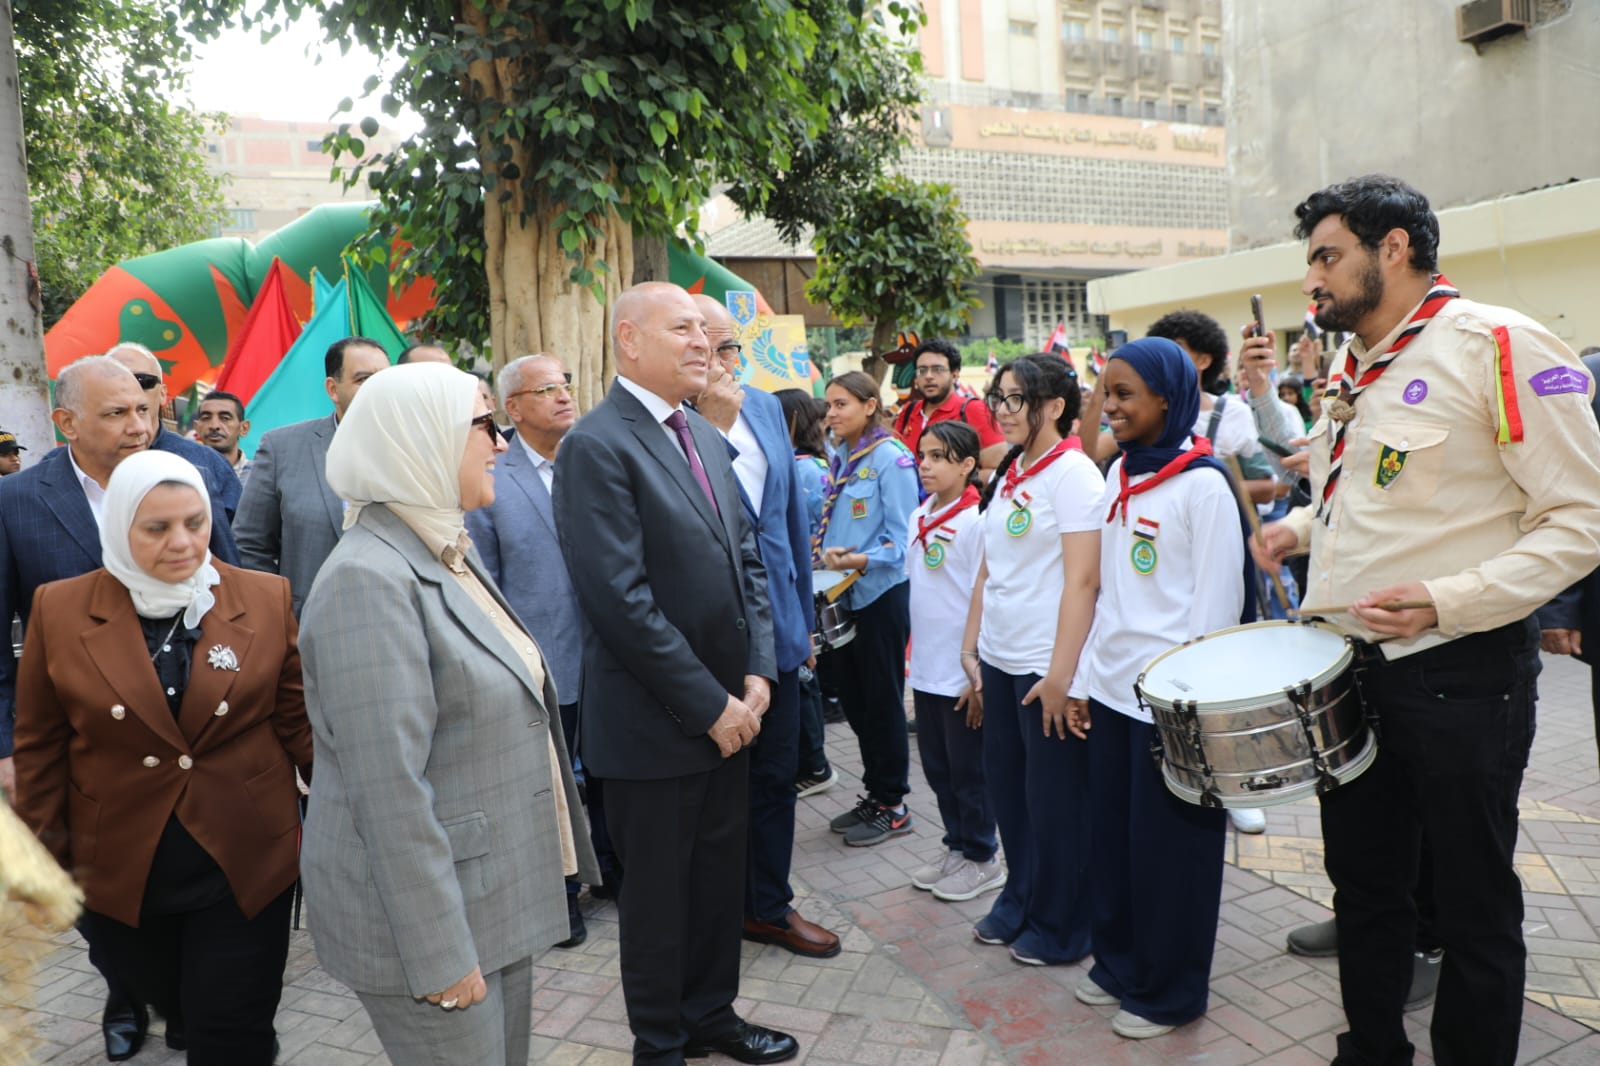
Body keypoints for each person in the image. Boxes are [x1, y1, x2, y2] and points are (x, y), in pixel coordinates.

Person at [1249, 175, 1600, 1066]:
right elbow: (1363, 497)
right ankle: (1372, 1050)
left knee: (1475, 904)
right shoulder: (1355, 364)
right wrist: (1292, 530)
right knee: (1365, 890)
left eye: (1327, 256)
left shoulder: (1500, 345)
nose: (1312, 282)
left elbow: (1582, 519)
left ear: (1393, 248)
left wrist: (1449, 598)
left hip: (1462, 675)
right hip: (1352, 671)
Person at [297, 363, 596, 1066]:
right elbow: (389, 793)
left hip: (486, 897)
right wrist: (439, 955)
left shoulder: (439, 544)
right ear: (420, 440)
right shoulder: (368, 580)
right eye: (483, 425)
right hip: (430, 924)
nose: (498, 443)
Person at [553, 282, 796, 1066]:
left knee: (717, 886)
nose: (703, 343)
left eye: (707, 330)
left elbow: (747, 560)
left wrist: (757, 675)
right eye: (683, 328)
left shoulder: (699, 430)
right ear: (628, 340)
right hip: (658, 727)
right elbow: (619, 603)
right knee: (659, 904)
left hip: (732, 716)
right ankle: (659, 1045)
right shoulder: (598, 444)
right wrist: (709, 702)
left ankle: (711, 1019)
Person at [13, 449, 313, 1065]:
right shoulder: (61, 609)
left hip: (245, 862)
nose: (183, 543)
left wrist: (354, 814)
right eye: (157, 528)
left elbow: (298, 724)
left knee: (233, 1032)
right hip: (119, 868)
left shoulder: (262, 596)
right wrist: (45, 862)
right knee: (174, 1007)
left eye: (195, 523)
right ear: (118, 525)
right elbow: (41, 745)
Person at [0, 356, 239, 1061]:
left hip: (194, 736)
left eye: (142, 408)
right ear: (66, 423)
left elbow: (232, 597)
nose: (139, 425)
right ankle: (128, 990)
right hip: (84, 752)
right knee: (102, 892)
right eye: (116, 414)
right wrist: (10, 749)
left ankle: (193, 997)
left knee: (197, 874)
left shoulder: (187, 470)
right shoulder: (17, 503)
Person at [1064, 338, 1246, 1040]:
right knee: (1111, 841)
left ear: (1168, 399)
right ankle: (1118, 964)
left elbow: (1216, 610)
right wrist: (1082, 681)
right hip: (1112, 696)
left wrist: (1189, 713)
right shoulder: (1120, 476)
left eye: (1124, 394)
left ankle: (1170, 992)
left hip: (1170, 709)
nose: (1108, 407)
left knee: (1172, 857)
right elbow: (1108, 595)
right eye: (1104, 392)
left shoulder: (1202, 484)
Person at [689, 295, 839, 961]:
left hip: (775, 632)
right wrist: (709, 428)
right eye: (708, 350)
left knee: (776, 777)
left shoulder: (767, 409)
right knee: (711, 792)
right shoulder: (664, 423)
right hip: (703, 647)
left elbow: (786, 526)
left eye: (730, 349)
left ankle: (767, 906)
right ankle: (714, 910)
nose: (723, 364)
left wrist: (802, 625)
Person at [958, 353, 1103, 967]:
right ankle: (1020, 895)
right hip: (1000, 658)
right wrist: (972, 651)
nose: (1000, 409)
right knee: (1010, 794)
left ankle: (1064, 922)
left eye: (1015, 398)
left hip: (1045, 666)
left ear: (1053, 407)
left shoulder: (1075, 477)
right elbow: (990, 569)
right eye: (998, 395)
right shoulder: (1014, 470)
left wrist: (1061, 676)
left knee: (1055, 803)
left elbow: (1084, 583)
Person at [464, 352, 610, 946]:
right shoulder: (493, 473)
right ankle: (558, 895)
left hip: (609, 658)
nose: (564, 395)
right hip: (541, 661)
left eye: (566, 384)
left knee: (607, 775)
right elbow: (487, 584)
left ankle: (610, 872)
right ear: (513, 408)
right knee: (547, 785)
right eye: (546, 388)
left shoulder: (593, 461)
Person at [816, 370, 920, 849]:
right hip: (844, 596)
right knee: (855, 703)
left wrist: (859, 559)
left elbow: (902, 542)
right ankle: (876, 794)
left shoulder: (891, 460)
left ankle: (894, 805)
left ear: (870, 405)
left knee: (881, 702)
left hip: (879, 594)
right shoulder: (841, 456)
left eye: (841, 405)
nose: (832, 413)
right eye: (829, 405)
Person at [904, 421, 1002, 903]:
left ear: (967, 465)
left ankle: (984, 857)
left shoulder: (976, 523)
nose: (926, 464)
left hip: (962, 676)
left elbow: (983, 598)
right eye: (923, 454)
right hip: (925, 671)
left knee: (970, 773)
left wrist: (979, 673)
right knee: (939, 770)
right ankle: (957, 847)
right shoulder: (920, 514)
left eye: (939, 456)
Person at [234, 336, 391, 617]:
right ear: (333, 388)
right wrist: (278, 617)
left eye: (385, 378)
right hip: (306, 627)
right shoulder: (283, 448)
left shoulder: (412, 449)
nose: (377, 389)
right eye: (363, 379)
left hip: (394, 620)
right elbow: (249, 545)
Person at [106, 343, 243, 530]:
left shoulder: (208, 464)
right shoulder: (72, 465)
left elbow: (238, 545)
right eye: (114, 381)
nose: (128, 391)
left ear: (163, 394)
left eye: (141, 381)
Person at [775, 388, 837, 796]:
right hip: (810, 581)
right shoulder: (817, 462)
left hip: (806, 582)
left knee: (804, 673)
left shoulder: (802, 470)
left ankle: (815, 764)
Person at [893, 338, 1008, 475]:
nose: (928, 376)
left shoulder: (974, 410)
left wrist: (953, 489)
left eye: (938, 369)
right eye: (922, 370)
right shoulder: (908, 411)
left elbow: (997, 471)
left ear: (955, 374)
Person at [192, 391, 252, 481]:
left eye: (225, 418)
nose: (214, 426)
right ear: (197, 428)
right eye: (206, 418)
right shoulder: (184, 472)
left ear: (244, 428)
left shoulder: (261, 476)